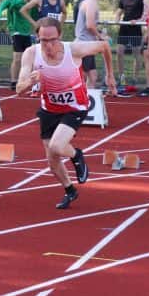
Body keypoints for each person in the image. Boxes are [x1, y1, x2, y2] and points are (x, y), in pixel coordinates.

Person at [17, 17, 115, 210]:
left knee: (57, 145)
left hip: (75, 107)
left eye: (52, 40)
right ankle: (70, 190)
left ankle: (76, 155)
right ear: (37, 38)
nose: (48, 45)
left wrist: (110, 75)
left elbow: (104, 46)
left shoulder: (74, 50)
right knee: (52, 161)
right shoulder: (31, 54)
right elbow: (19, 88)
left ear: (60, 36)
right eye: (43, 40)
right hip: (49, 110)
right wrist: (29, 81)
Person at [0, 0, 37, 90]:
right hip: (16, 31)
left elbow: (36, 15)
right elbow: (4, 3)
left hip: (27, 33)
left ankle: (27, 81)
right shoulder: (16, 1)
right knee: (17, 58)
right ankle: (13, 81)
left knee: (29, 58)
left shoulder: (34, 3)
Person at [74, 0, 108, 88]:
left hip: (86, 43)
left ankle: (87, 97)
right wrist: (100, 36)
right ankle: (79, 96)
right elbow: (89, 25)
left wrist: (98, 34)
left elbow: (89, 25)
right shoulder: (90, 3)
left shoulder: (88, 2)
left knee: (92, 76)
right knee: (83, 76)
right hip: (84, 44)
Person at [114, 0, 145, 84]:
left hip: (136, 29)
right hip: (124, 28)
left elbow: (145, 14)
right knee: (119, 52)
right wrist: (117, 18)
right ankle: (121, 77)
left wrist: (138, 21)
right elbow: (119, 11)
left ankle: (135, 78)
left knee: (136, 54)